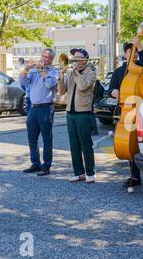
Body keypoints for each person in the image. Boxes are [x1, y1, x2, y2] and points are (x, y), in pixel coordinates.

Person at [108, 37, 143, 189]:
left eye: (136, 51)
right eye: (131, 51)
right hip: (126, 112)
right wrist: (115, 92)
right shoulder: (118, 72)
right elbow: (110, 90)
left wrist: (141, 47)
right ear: (125, 53)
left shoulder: (141, 69)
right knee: (130, 147)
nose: (134, 54)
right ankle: (134, 177)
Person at [58, 48, 97, 183]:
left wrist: (74, 72)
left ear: (85, 59)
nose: (74, 60)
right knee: (74, 144)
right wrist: (61, 78)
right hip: (70, 112)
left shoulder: (91, 72)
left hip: (83, 113)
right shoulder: (70, 73)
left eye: (77, 57)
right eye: (73, 57)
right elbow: (62, 91)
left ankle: (90, 172)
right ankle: (78, 172)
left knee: (86, 144)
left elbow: (82, 86)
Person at [19, 48, 59, 176]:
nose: (43, 58)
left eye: (46, 57)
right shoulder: (35, 70)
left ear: (51, 59)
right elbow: (22, 82)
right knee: (32, 138)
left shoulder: (53, 71)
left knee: (47, 139)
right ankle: (35, 163)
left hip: (46, 108)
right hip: (33, 107)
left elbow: (48, 84)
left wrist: (42, 70)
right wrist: (27, 68)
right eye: (42, 56)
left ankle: (46, 166)